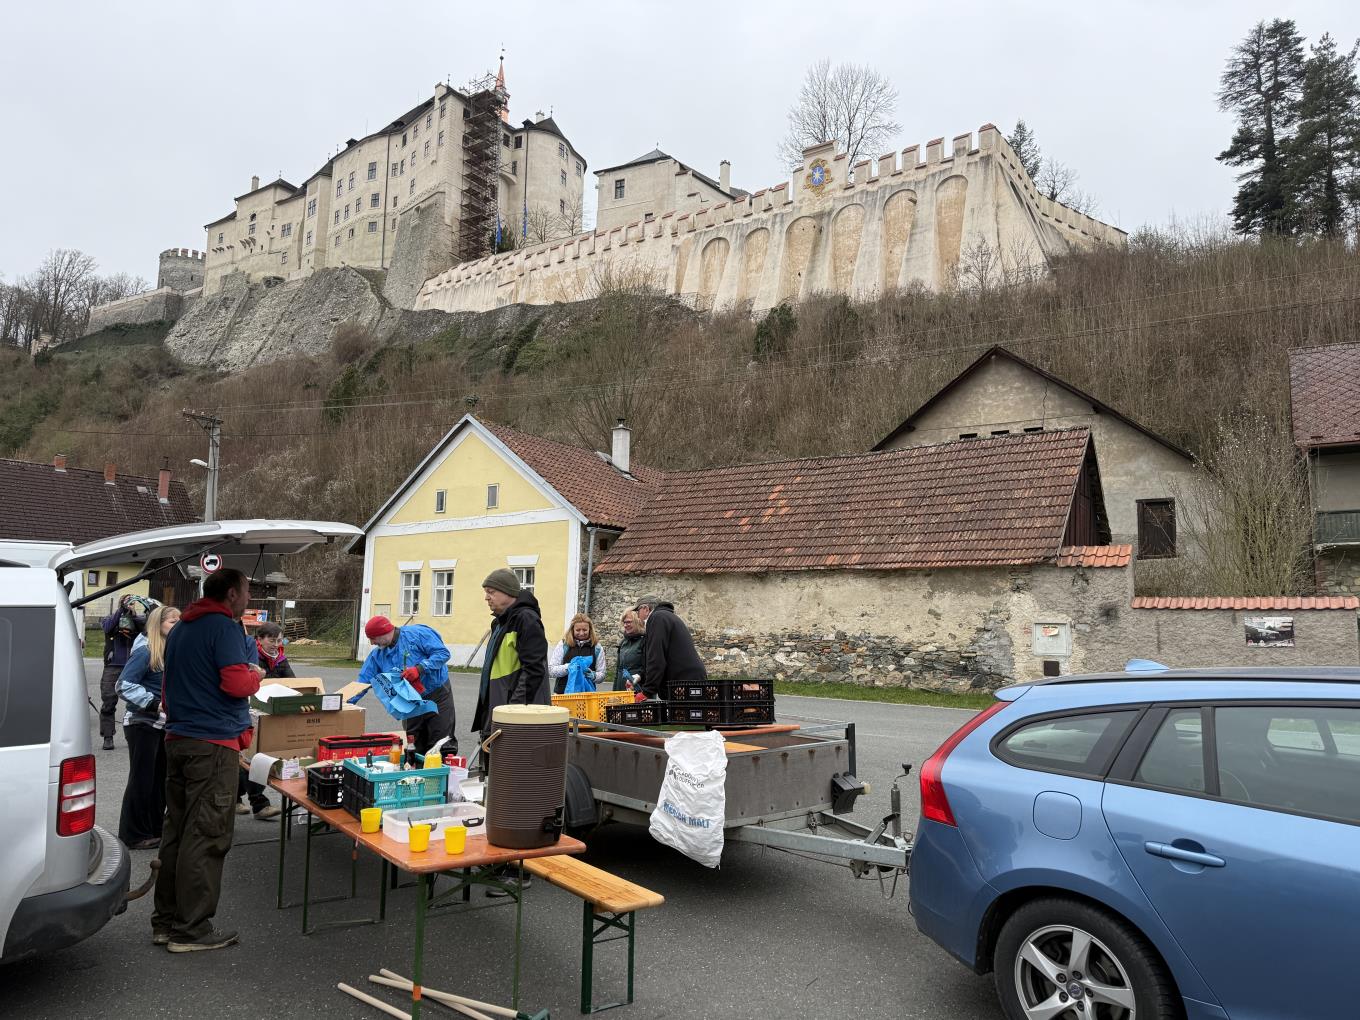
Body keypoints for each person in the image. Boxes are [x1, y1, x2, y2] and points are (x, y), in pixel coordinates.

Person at [153, 568, 259, 953]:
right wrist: (256, 676)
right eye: (247, 592)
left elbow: (168, 690)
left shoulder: (182, 627)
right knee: (207, 834)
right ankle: (191, 929)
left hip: (178, 739)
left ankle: (166, 922)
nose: (249, 599)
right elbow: (236, 684)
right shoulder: (224, 628)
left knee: (178, 831)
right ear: (231, 594)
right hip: (211, 744)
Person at [472, 568, 549, 897]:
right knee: (498, 791)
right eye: (486, 592)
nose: (487, 597)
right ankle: (500, 857)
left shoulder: (525, 620)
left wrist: (512, 718)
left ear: (508, 592)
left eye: (491, 592)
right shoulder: (501, 622)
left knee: (517, 794)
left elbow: (533, 672)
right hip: (498, 719)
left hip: (517, 724)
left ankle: (518, 870)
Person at [116, 605, 180, 849]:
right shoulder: (145, 650)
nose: (177, 625)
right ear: (157, 624)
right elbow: (123, 685)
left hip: (162, 725)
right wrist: (154, 703)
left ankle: (154, 829)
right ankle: (133, 835)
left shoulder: (168, 649)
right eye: (172, 621)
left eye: (179, 620)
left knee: (159, 780)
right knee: (142, 781)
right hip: (141, 723)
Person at [358, 615, 455, 756]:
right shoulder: (377, 656)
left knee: (441, 740)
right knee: (413, 742)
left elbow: (442, 653)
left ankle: (443, 767)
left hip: (437, 693)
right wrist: (345, 703)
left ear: (384, 632)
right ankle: (414, 768)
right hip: (409, 701)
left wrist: (420, 668)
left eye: (373, 638)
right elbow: (362, 682)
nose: (372, 643)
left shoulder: (418, 634)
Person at [235, 621, 290, 819]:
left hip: (272, 715)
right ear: (259, 639)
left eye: (279, 640)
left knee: (258, 758)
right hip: (252, 712)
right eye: (272, 640)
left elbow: (292, 682)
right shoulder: (253, 656)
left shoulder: (280, 659)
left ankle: (241, 799)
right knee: (250, 758)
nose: (276, 645)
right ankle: (256, 803)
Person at [98, 594, 154, 750]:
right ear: (120, 604)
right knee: (108, 702)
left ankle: (139, 733)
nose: (130, 606)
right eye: (126, 603)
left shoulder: (138, 620)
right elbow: (107, 627)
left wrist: (134, 615)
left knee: (139, 701)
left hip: (133, 666)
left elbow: (148, 627)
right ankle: (108, 736)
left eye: (131, 603)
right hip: (113, 666)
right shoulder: (110, 619)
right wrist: (121, 611)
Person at [634, 595, 707, 700]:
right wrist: (641, 676)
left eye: (638, 611)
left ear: (646, 609)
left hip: (683, 682)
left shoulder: (657, 618)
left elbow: (656, 657)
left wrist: (647, 691)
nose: (637, 615)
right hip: (688, 679)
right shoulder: (665, 616)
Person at [548, 613, 606, 695]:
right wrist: (568, 667)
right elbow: (551, 670)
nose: (581, 633)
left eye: (585, 630)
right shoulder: (563, 645)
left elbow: (602, 674)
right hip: (562, 694)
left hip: (587, 695)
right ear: (572, 630)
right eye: (578, 630)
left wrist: (594, 675)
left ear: (590, 630)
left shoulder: (597, 648)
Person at [614, 609, 646, 691]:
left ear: (637, 621)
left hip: (638, 689)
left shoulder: (645, 642)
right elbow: (618, 670)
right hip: (621, 689)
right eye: (624, 622)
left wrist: (639, 676)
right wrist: (614, 691)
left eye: (628, 622)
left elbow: (649, 668)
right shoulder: (623, 642)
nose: (625, 625)